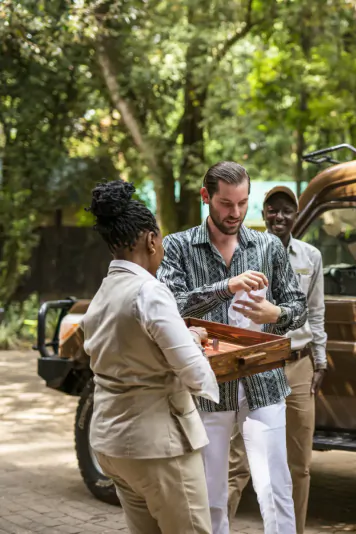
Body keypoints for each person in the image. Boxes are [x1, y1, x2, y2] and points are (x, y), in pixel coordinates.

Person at [157, 162, 307, 534]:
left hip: (265, 381)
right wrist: (226, 286)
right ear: (206, 197)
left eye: (242, 203)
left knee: (275, 489)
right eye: (226, 203)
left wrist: (276, 312)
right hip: (206, 386)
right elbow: (168, 306)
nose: (235, 213)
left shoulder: (268, 245)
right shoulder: (176, 246)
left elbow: (298, 307)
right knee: (209, 495)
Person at [79, 180, 219, 534]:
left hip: (113, 444)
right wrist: (198, 350)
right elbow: (195, 374)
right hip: (159, 447)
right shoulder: (150, 291)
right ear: (151, 239)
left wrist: (183, 334)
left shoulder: (104, 293)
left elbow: (131, 346)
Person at [228, 186, 328, 534]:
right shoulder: (243, 252)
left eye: (287, 210)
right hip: (256, 363)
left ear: (296, 214)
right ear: (264, 212)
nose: (279, 216)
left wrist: (321, 359)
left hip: (298, 363)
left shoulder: (310, 256)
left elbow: (316, 312)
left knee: (298, 464)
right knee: (238, 462)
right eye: (272, 209)